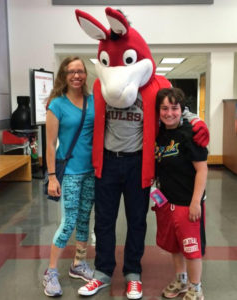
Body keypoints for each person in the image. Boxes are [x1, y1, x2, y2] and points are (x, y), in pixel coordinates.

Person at [75, 8, 209, 300]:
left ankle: (133, 273)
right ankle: (103, 273)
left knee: (137, 221)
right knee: (105, 221)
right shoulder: (100, 86)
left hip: (139, 163)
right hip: (108, 162)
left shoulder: (156, 84)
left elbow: (177, 109)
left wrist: (197, 122)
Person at [43, 56, 95, 297]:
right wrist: (52, 177)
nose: (77, 75)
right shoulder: (57, 105)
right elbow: (51, 145)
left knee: (85, 220)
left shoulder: (93, 101)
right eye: (71, 71)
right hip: (70, 173)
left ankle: (78, 264)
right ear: (64, 76)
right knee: (68, 223)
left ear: (85, 75)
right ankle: (51, 271)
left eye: (80, 71)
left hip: (91, 172)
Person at [153, 88, 208, 300]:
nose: (169, 113)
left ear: (181, 109)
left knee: (191, 248)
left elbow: (202, 170)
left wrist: (196, 202)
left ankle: (196, 288)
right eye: (164, 108)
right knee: (175, 246)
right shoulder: (160, 134)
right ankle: (181, 279)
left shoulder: (191, 134)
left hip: (188, 203)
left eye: (174, 108)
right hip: (167, 202)